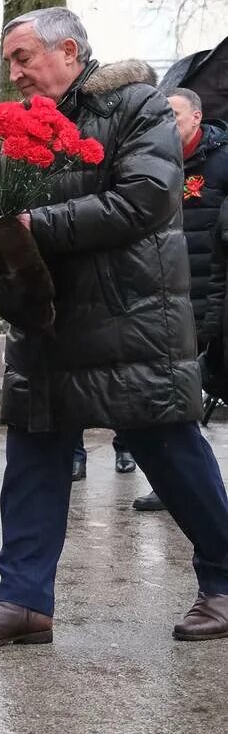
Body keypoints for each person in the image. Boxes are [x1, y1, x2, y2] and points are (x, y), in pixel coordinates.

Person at [0, 6, 228, 648]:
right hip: (48, 321)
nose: (14, 73)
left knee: (171, 454)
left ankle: (225, 581)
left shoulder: (136, 107)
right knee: (33, 460)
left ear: (68, 50)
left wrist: (30, 228)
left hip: (130, 320)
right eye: (10, 61)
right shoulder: (27, 124)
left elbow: (143, 201)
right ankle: (22, 601)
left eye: (24, 58)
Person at [131, 89, 228, 511]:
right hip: (166, 298)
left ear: (196, 117)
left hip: (213, 298)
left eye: (173, 114)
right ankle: (177, 486)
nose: (166, 122)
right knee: (175, 394)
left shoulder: (222, 162)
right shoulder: (156, 162)